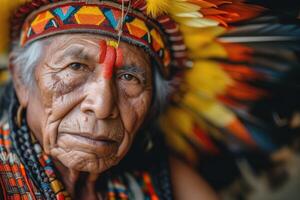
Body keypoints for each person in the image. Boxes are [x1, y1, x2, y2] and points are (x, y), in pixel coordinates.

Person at [0, 0, 300, 199]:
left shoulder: (165, 175)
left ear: (153, 101)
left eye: (129, 77)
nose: (102, 105)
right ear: (23, 81)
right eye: (75, 67)